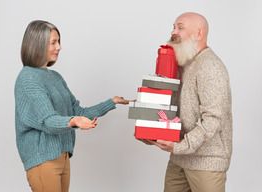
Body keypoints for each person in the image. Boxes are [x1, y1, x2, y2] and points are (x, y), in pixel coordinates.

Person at [15, 20, 133, 192]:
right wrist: (74, 121)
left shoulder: (55, 77)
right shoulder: (28, 78)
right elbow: (48, 121)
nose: (59, 47)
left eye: (59, 41)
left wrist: (111, 102)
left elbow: (78, 112)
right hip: (43, 160)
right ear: (38, 45)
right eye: (53, 43)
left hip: (62, 156)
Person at [138, 12, 232, 192]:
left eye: (180, 27)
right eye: (173, 27)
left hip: (206, 161)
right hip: (179, 158)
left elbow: (213, 119)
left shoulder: (210, 66)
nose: (174, 32)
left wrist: (181, 145)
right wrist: (150, 127)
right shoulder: (183, 63)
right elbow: (173, 108)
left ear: (199, 33)